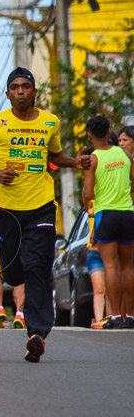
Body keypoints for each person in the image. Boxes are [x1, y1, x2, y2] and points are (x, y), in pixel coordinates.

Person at [0, 67, 91, 362]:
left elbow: (54, 156)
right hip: (5, 208)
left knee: (37, 266)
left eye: (26, 86)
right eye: (15, 87)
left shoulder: (50, 123)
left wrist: (75, 162)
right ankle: (5, 264)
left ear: (34, 92)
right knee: (13, 271)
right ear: (8, 94)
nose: (21, 91)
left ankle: (37, 333)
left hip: (41, 205)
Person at [82, 115, 134, 329]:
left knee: (110, 267)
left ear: (89, 135)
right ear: (109, 129)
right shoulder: (125, 154)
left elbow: (88, 192)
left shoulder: (93, 159)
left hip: (106, 214)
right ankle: (130, 315)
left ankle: (114, 316)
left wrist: (88, 207)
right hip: (127, 214)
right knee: (128, 267)